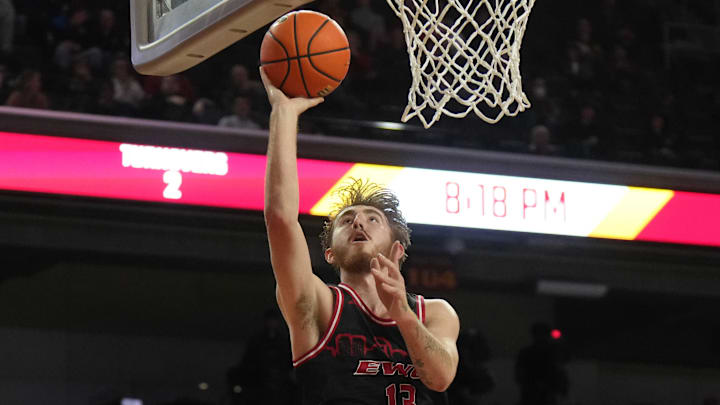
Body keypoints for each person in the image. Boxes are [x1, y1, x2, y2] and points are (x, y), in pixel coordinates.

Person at [260, 67, 459, 404]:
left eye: (372, 219)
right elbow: (280, 218)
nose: (358, 223)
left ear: (396, 249)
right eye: (346, 220)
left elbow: (439, 380)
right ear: (330, 255)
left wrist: (402, 314)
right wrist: (284, 111)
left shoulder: (435, 313)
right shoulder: (320, 305)